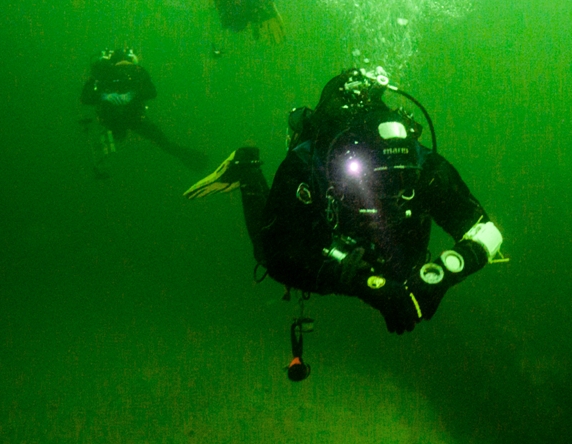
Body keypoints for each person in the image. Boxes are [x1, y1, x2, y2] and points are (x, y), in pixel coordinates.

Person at [184, 68, 504, 339]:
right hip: (329, 247)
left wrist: (445, 273)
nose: (387, 187)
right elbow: (278, 250)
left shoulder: (421, 164)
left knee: (398, 268)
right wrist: (366, 284)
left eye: (398, 179)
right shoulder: (309, 161)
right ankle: (247, 169)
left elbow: (487, 232)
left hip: (395, 263)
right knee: (266, 254)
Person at [79, 48, 209, 173]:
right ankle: (195, 160)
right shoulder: (132, 70)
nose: (123, 67)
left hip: (115, 119)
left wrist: (118, 95)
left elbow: (85, 97)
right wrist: (110, 96)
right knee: (164, 142)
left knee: (160, 141)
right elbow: (151, 92)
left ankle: (194, 160)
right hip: (132, 119)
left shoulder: (107, 72)